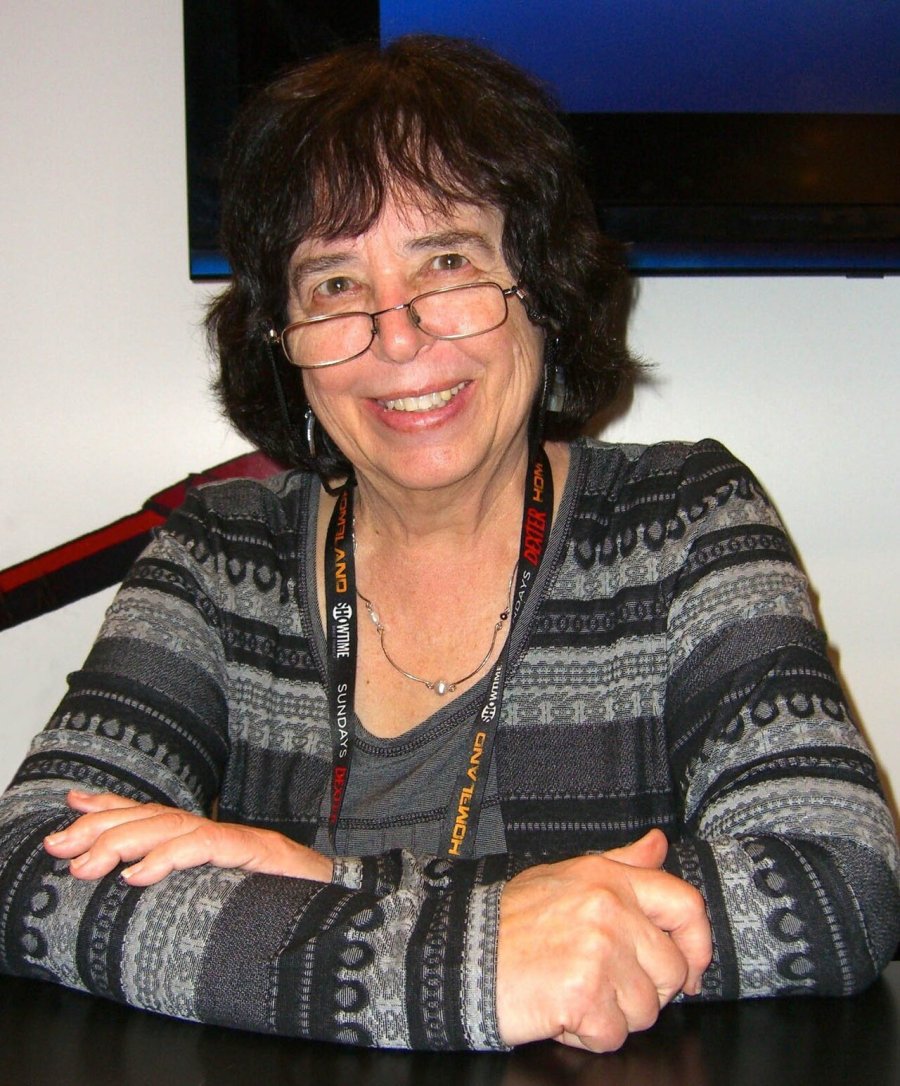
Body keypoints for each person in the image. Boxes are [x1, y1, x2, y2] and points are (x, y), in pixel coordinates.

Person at [0, 34, 897, 1053]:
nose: (397, 336)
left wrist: (329, 885)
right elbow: (31, 867)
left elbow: (836, 881)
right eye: (334, 285)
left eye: (447, 262)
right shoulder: (219, 557)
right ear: (284, 342)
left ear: (541, 291)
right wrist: (488, 955)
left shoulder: (682, 519)